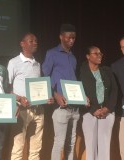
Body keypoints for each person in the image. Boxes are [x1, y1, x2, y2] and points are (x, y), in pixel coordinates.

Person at [7, 33, 54, 160]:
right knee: (18, 148)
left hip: (38, 110)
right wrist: (19, 99)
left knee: (35, 149)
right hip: (21, 111)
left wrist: (47, 97)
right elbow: (7, 89)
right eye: (31, 41)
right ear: (22, 44)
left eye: (36, 41)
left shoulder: (37, 64)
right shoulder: (13, 63)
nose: (35, 43)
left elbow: (39, 88)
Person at [42, 23, 80, 160]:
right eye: (68, 37)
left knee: (71, 142)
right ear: (61, 37)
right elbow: (45, 77)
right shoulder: (52, 54)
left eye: (74, 38)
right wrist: (55, 95)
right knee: (59, 142)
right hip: (60, 106)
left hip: (74, 107)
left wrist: (82, 96)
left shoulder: (73, 57)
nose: (71, 40)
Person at [80, 46, 118, 160]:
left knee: (105, 145)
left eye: (100, 53)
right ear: (88, 56)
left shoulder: (107, 71)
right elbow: (79, 92)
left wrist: (107, 108)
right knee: (90, 145)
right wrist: (93, 110)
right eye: (95, 53)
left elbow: (114, 90)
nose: (99, 55)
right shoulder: (81, 72)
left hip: (107, 112)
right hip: (89, 112)